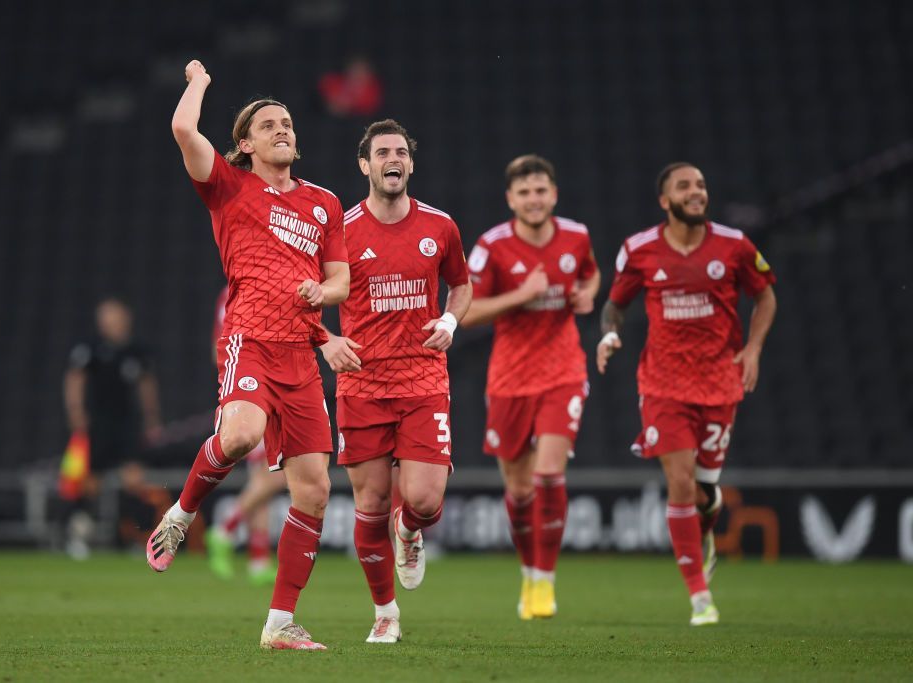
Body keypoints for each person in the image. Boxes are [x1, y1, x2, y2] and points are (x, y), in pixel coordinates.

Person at [147, 59, 350, 651]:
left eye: (287, 122)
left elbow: (338, 279)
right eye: (268, 125)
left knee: (313, 490)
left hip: (301, 356)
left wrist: (325, 297)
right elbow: (184, 132)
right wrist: (200, 83)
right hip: (249, 340)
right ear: (245, 143)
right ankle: (182, 515)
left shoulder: (324, 204)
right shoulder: (229, 187)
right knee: (239, 437)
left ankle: (279, 623)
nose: (283, 129)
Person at [596, 162, 777, 626]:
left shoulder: (734, 245)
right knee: (679, 481)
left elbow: (766, 296)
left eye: (700, 184)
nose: (696, 192)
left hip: (720, 383)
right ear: (665, 200)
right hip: (662, 383)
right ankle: (699, 596)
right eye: (685, 186)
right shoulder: (639, 250)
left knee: (701, 492)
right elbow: (615, 306)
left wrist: (753, 348)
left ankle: (707, 517)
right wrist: (609, 335)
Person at [320, 119, 471, 643]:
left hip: (423, 379)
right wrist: (325, 340)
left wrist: (450, 321)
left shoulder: (440, 226)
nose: (393, 158)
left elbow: (462, 285)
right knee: (371, 505)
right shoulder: (340, 230)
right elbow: (302, 295)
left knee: (424, 501)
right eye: (382, 151)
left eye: (401, 152)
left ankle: (409, 533)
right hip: (362, 385)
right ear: (365, 165)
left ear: (411, 164)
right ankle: (385, 613)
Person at [460, 155, 600, 620]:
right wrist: (521, 295)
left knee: (548, 475)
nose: (534, 199)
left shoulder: (577, 236)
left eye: (541, 190)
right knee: (519, 492)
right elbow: (465, 311)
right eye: (524, 192)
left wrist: (588, 293)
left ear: (553, 194)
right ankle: (528, 571)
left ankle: (545, 580)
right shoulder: (491, 246)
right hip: (509, 380)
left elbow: (590, 273)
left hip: (563, 373)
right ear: (510, 199)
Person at [63, 297, 163, 557]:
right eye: (107, 320)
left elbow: (146, 386)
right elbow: (75, 380)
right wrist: (76, 412)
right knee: (90, 481)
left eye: (115, 319)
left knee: (133, 479)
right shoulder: (90, 349)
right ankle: (80, 533)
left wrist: (151, 418)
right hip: (97, 423)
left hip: (127, 423)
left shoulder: (137, 352)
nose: (111, 325)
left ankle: (130, 535)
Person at [205, 284, 285, 585]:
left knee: (263, 478)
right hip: (254, 390)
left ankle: (259, 559)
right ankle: (225, 528)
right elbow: (220, 348)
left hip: (271, 387)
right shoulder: (236, 292)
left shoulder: (253, 285)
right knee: (276, 475)